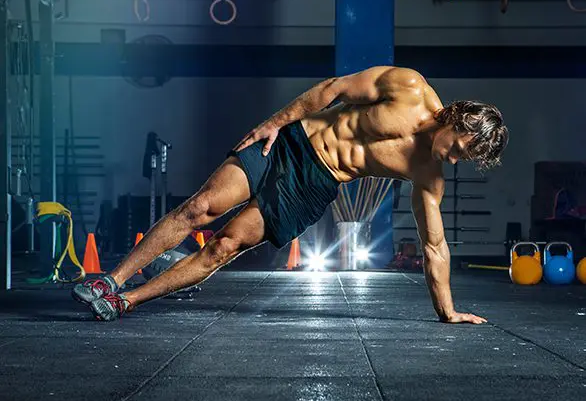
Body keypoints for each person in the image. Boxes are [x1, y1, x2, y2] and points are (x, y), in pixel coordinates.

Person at [72, 66, 508, 323]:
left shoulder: (428, 174)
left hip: (314, 185)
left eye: (463, 159)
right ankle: (113, 278)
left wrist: (447, 311)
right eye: (460, 148)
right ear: (460, 122)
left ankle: (123, 301)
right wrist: (275, 122)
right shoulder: (408, 88)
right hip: (292, 143)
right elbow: (333, 89)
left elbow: (435, 247)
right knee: (200, 208)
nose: (453, 159)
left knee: (223, 247)